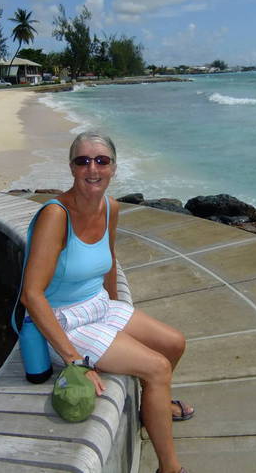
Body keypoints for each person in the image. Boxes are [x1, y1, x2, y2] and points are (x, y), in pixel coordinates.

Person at [20, 131, 192, 473]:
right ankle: (169, 468)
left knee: (174, 343)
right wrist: (74, 359)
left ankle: (151, 411)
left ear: (114, 167)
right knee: (156, 368)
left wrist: (118, 315)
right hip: (62, 321)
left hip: (98, 306)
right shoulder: (56, 216)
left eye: (102, 160)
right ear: (71, 167)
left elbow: (109, 261)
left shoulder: (110, 208)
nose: (92, 168)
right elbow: (31, 294)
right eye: (83, 161)